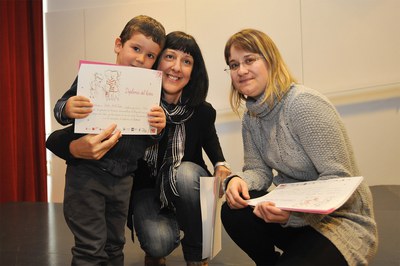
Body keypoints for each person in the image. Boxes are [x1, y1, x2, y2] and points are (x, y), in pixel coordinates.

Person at [220, 28, 378, 266]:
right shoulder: (250, 117)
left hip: (340, 222)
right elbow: (259, 172)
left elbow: (338, 179)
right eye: (233, 65)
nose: (241, 71)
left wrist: (295, 214)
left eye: (249, 60)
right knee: (233, 209)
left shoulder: (303, 105)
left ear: (270, 60)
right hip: (292, 216)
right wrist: (237, 180)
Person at [46, 15, 166, 265]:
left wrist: (159, 127)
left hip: (124, 180)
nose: (141, 59)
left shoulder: (149, 92)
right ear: (118, 44)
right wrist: (68, 107)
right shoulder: (93, 78)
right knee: (90, 247)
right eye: (136, 48)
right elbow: (60, 109)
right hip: (87, 177)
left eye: (150, 56)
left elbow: (149, 138)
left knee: (115, 244)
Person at [129, 31, 231, 266]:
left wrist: (221, 165)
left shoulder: (202, 111)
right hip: (148, 188)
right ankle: (160, 240)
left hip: (187, 187)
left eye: (186, 62)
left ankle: (195, 254)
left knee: (184, 173)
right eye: (170, 57)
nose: (176, 67)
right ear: (157, 61)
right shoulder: (137, 106)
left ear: (193, 72)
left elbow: (213, 147)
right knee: (158, 244)